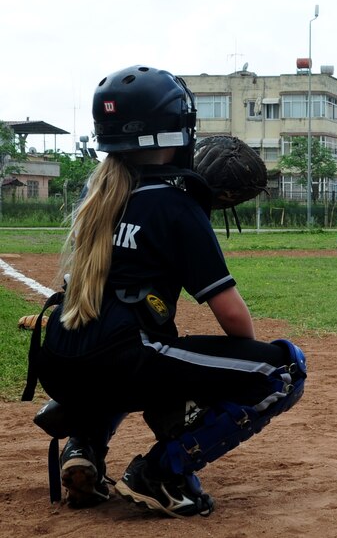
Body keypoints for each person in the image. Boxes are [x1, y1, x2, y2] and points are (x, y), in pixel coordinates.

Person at [24, 65, 306, 517]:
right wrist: (225, 378)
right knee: (284, 370)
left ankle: (84, 446)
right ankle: (161, 473)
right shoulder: (174, 203)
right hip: (121, 358)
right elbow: (231, 316)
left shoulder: (95, 193)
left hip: (62, 357)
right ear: (173, 132)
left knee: (137, 346)